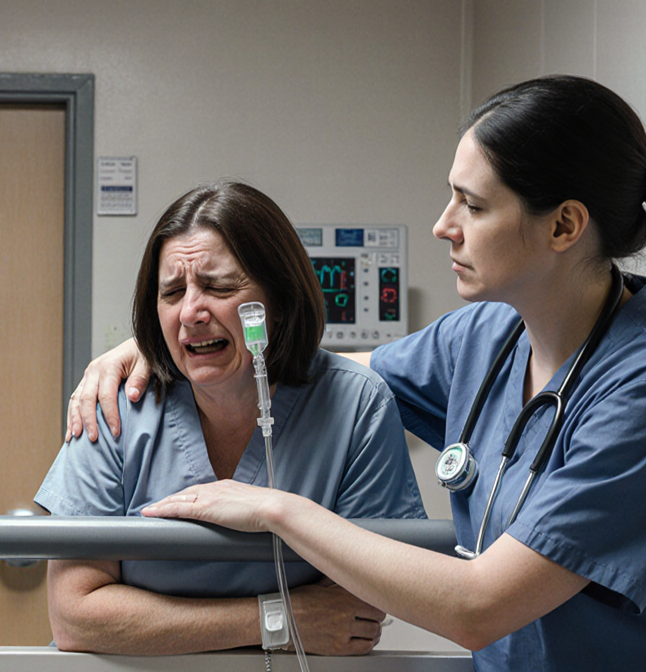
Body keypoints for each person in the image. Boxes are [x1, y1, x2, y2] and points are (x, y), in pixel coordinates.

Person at [68, 76, 646, 670]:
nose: (443, 225)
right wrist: (165, 343)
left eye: (472, 205)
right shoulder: (485, 337)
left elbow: (477, 608)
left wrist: (273, 508)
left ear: (564, 226)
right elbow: (316, 367)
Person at [36, 180, 426, 656]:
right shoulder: (117, 405)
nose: (191, 313)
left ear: (277, 301)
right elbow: (76, 616)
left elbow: (355, 611)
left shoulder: (354, 408)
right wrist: (279, 617)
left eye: (218, 286)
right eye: (173, 292)